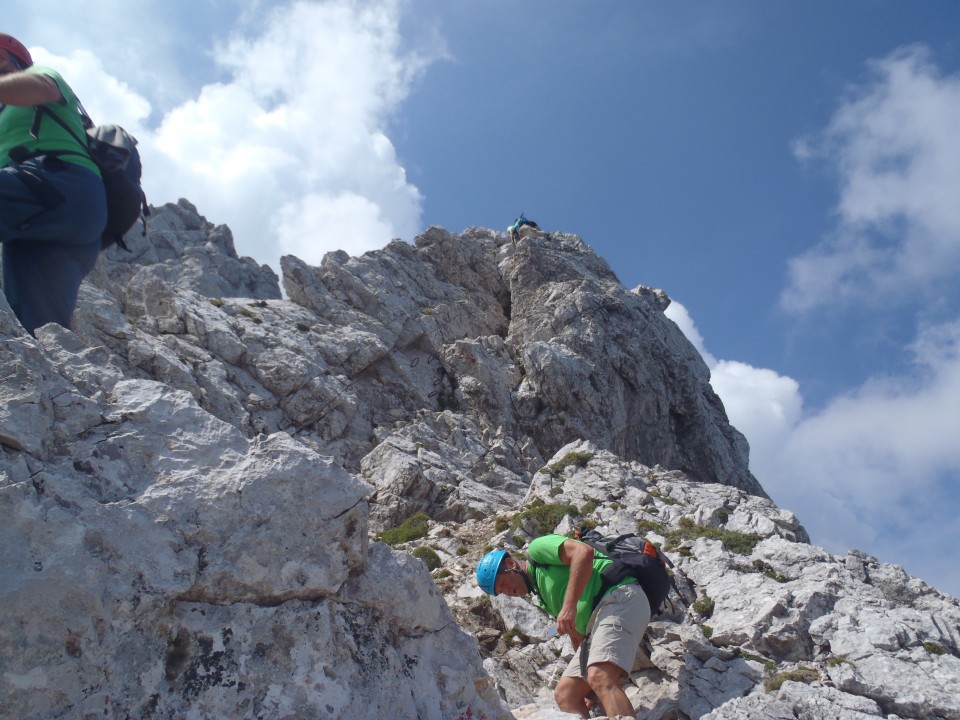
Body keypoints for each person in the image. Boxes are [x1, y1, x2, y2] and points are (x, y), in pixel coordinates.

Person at [476, 533, 653, 719]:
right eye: (500, 592)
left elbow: (583, 552)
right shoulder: (543, 597)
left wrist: (568, 607)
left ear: (512, 565)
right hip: (597, 623)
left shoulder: (537, 549)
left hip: (619, 599)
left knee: (600, 675)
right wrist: (588, 685)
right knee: (567, 694)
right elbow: (577, 636)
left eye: (503, 583)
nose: (506, 592)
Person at [0, 32, 107, 336]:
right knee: (36, 331)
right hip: (62, 221)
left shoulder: (38, 75)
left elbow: (44, 88)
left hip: (59, 183)